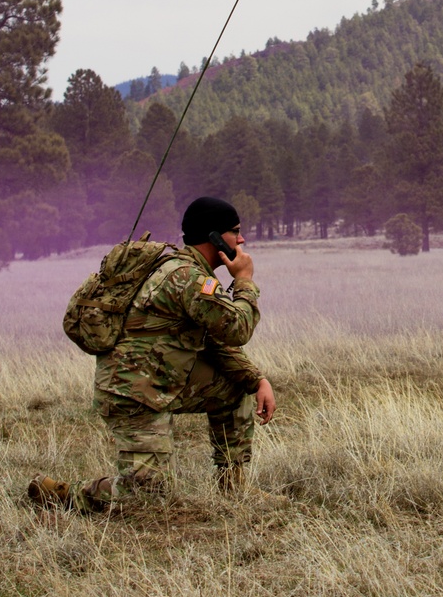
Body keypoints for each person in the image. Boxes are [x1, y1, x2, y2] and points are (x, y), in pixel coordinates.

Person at [29, 196, 276, 511]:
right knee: (148, 498)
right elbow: (237, 328)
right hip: (133, 393)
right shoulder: (187, 278)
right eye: (234, 232)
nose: (241, 240)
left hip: (164, 382)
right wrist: (244, 281)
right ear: (213, 237)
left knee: (236, 389)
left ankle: (234, 488)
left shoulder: (189, 273)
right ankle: (63, 495)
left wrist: (256, 381)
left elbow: (215, 341)